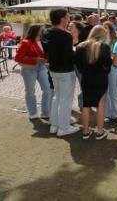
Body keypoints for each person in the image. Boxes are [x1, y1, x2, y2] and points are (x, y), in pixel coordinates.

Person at [42, 9, 79, 137]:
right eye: (68, 17)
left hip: (53, 69)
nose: (69, 19)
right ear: (62, 19)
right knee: (65, 99)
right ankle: (64, 127)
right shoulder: (65, 35)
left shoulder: (47, 32)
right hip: (65, 70)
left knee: (57, 97)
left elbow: (47, 50)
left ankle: (54, 124)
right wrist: (76, 52)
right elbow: (68, 55)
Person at [75, 26, 112, 140]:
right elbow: (108, 65)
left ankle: (86, 131)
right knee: (100, 104)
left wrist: (85, 71)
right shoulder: (104, 47)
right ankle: (99, 131)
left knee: (86, 104)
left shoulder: (80, 46)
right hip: (101, 78)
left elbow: (77, 64)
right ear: (103, 35)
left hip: (86, 78)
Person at [15, 24, 52, 119]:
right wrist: (35, 59)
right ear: (36, 31)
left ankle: (45, 112)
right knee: (30, 91)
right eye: (42, 30)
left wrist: (46, 59)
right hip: (29, 69)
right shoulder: (26, 42)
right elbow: (18, 58)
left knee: (47, 90)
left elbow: (45, 54)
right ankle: (32, 112)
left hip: (42, 67)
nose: (44, 31)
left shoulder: (43, 41)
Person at [103, 21, 117, 123]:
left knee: (114, 91)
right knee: (105, 91)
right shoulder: (100, 40)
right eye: (103, 28)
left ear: (111, 29)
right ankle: (106, 114)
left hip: (113, 67)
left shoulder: (116, 40)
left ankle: (116, 114)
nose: (104, 30)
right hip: (102, 68)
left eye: (106, 28)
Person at [68, 20, 86, 111]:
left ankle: (82, 105)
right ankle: (67, 106)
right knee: (69, 87)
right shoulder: (66, 39)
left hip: (80, 66)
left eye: (71, 26)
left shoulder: (83, 40)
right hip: (68, 67)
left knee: (84, 86)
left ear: (78, 29)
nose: (69, 28)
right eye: (69, 26)